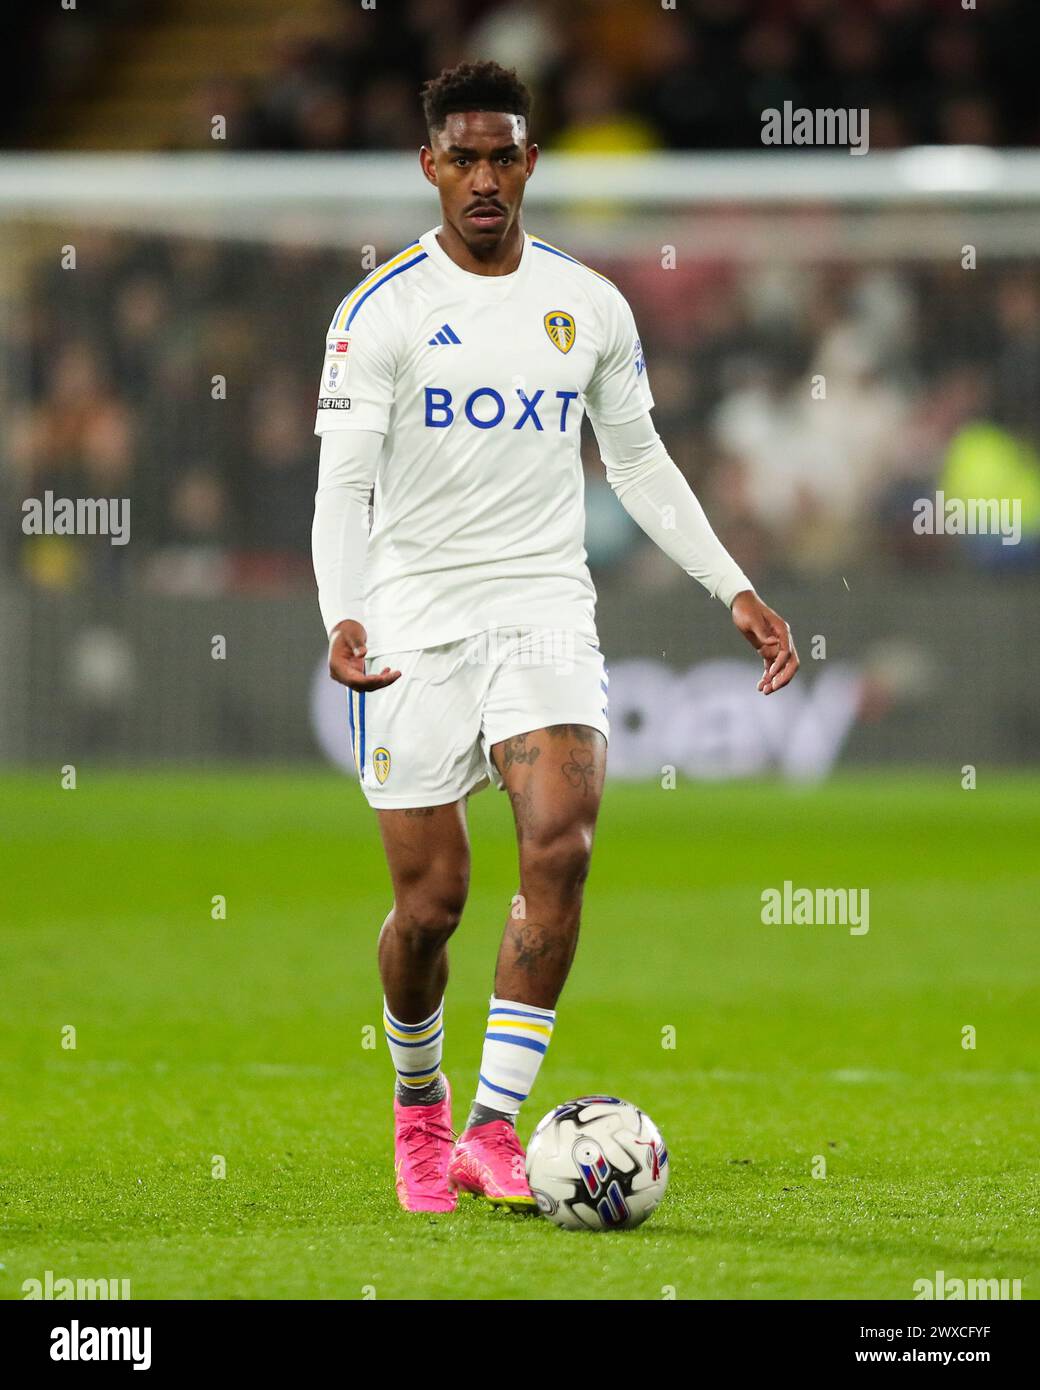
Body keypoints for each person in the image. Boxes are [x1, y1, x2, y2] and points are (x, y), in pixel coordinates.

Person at [311, 60, 799, 1213]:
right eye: (462, 158)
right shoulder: (379, 311)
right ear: (429, 165)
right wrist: (344, 607)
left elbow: (634, 459)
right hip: (416, 618)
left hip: (542, 608)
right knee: (428, 906)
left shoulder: (588, 306)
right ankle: (419, 1106)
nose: (484, 178)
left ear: (531, 162)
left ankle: (492, 1126)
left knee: (562, 845)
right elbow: (342, 485)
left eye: (503, 156)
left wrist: (730, 585)